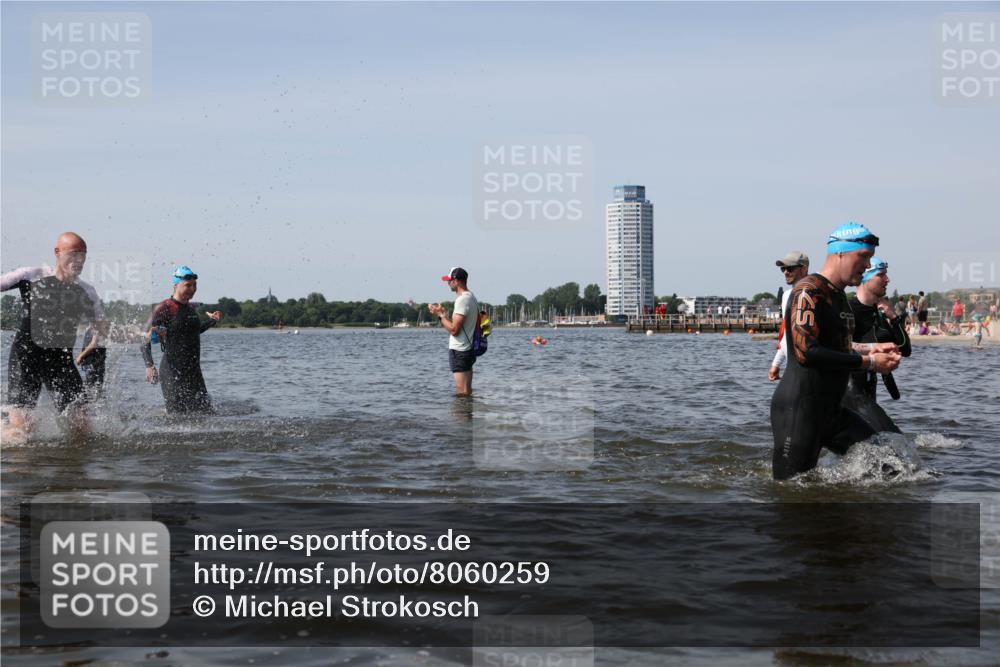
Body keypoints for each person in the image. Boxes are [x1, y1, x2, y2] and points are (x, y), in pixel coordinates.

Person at [769, 223, 901, 480]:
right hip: (800, 412)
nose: (866, 265)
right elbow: (807, 351)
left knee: (893, 468)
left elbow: (836, 347)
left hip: (831, 412)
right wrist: (870, 362)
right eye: (863, 257)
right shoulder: (808, 291)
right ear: (840, 253)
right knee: (791, 496)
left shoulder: (839, 296)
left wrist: (872, 347)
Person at [1, 232, 108, 438]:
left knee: (82, 432)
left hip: (61, 361)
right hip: (26, 357)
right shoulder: (30, 275)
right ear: (57, 252)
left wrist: (96, 340)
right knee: (21, 434)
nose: (79, 260)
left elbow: (102, 324)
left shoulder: (86, 290)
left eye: (83, 256)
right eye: (74, 254)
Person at [841, 257, 911, 434]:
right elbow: (839, 345)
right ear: (865, 277)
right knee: (888, 439)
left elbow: (905, 349)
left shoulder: (880, 311)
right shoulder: (847, 308)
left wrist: (893, 317)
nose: (887, 280)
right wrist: (874, 348)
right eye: (881, 275)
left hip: (869, 388)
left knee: (878, 440)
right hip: (848, 389)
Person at [141, 266, 221, 414]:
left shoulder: (191, 308)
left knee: (207, 413)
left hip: (194, 371)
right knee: (177, 417)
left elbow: (193, 332)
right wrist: (149, 365)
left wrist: (212, 321)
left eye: (194, 285)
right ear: (176, 285)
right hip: (172, 371)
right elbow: (144, 337)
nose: (192, 289)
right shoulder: (164, 308)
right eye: (188, 285)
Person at [428, 267, 479, 396]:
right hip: (468, 349)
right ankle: (467, 414)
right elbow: (460, 325)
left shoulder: (462, 300)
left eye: (449, 280)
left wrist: (440, 315)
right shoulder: (471, 297)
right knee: (467, 391)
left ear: (456, 281)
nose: (448, 283)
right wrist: (445, 315)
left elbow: (454, 330)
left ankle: (461, 415)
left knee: (461, 392)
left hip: (460, 351)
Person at [768, 251, 809, 381]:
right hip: (792, 366)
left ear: (804, 269)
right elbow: (787, 335)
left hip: (808, 367)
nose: (786, 272)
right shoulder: (786, 296)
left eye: (790, 268)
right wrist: (776, 363)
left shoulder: (812, 293)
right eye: (783, 269)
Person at [76, 325, 107, 399]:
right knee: (94, 388)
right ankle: (96, 405)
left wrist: (80, 356)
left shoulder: (96, 328)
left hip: (93, 363)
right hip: (92, 363)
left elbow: (93, 344)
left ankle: (92, 406)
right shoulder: (91, 328)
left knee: (91, 388)